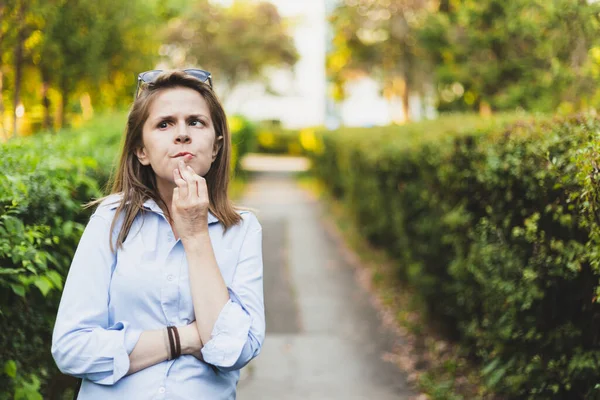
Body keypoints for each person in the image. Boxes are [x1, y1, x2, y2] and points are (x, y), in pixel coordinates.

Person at [51, 69, 265, 399]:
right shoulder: (111, 219)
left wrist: (195, 235)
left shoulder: (242, 230)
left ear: (216, 146)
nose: (182, 134)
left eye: (196, 122)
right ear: (142, 151)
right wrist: (186, 338)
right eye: (164, 124)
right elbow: (71, 347)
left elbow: (233, 352)